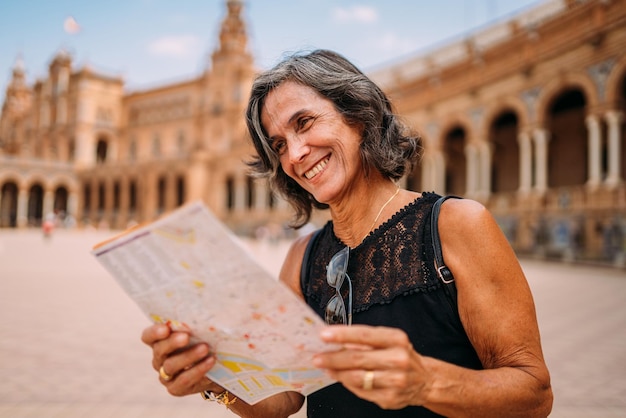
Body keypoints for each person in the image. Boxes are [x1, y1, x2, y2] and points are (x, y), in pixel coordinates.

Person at [141, 49, 553, 417]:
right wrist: (217, 379)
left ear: (358, 115)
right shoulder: (302, 258)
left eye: (304, 123)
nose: (296, 154)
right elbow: (283, 399)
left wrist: (427, 382)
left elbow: (533, 393)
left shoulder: (455, 225)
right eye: (279, 144)